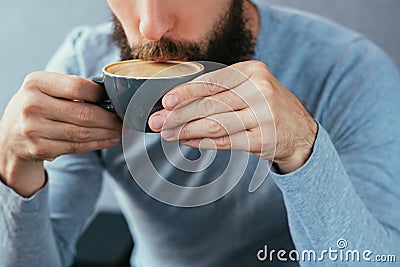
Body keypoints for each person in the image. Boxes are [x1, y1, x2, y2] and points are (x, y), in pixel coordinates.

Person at [0, 0, 399, 266]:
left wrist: (301, 148)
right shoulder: (86, 64)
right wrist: (14, 166)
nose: (151, 27)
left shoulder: (349, 72)